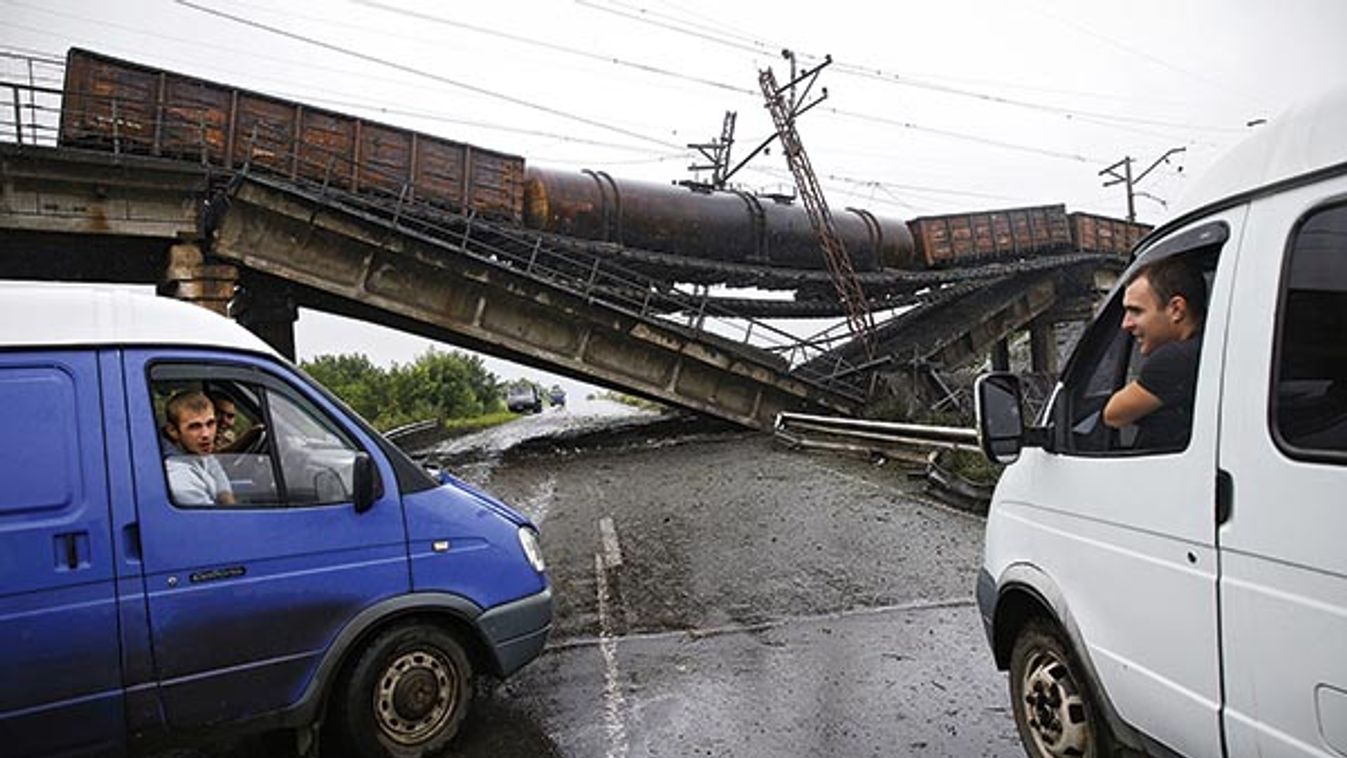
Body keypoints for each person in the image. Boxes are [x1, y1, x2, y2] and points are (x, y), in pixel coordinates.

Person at [1103, 257, 1207, 450]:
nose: (1125, 324)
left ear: (1176, 309)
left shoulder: (1174, 360)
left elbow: (1113, 414)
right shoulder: (1209, 349)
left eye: (1136, 311)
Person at [163, 390, 236, 506]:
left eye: (210, 423)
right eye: (194, 427)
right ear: (173, 431)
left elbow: (216, 472)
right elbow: (213, 521)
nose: (206, 434)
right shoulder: (179, 477)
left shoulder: (196, 450)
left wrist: (228, 502)